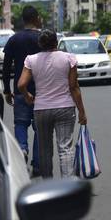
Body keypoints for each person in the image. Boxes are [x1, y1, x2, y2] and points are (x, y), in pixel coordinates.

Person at [18, 29, 87, 178]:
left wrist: (27, 95)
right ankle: (67, 186)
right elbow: (74, 87)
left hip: (41, 109)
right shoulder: (69, 58)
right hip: (65, 108)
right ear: (56, 42)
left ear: (40, 44)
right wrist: (82, 111)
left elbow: (21, 84)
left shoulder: (31, 59)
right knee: (65, 148)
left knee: (44, 149)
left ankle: (48, 185)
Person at [2, 5, 41, 175]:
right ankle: (38, 164)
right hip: (41, 91)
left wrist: (7, 90)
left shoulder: (14, 39)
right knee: (40, 128)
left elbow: (6, 67)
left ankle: (22, 150)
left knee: (20, 124)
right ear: (36, 18)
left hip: (20, 90)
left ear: (23, 20)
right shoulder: (42, 38)